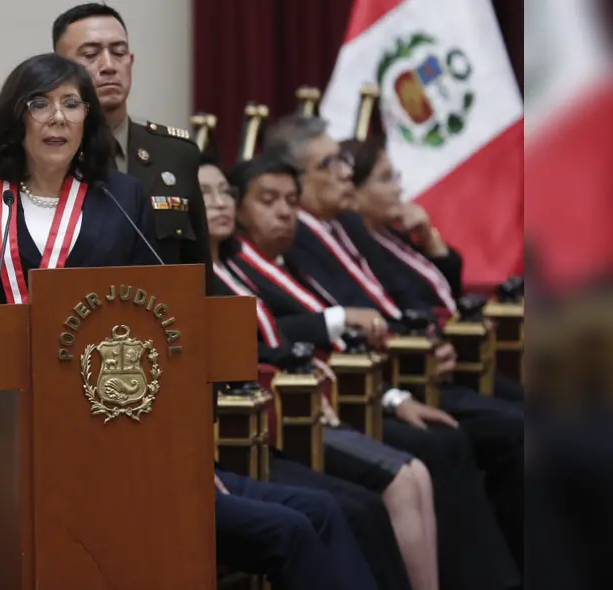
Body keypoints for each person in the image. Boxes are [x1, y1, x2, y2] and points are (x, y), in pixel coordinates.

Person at [0, 53, 373, 590]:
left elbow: (154, 309)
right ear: (16, 117)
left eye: (72, 104)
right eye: (40, 104)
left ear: (89, 118)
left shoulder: (120, 196)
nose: (58, 117)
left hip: (107, 426)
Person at [222, 152, 522, 590]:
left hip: (352, 388)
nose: (285, 211)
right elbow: (279, 344)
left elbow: (386, 306)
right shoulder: (232, 263)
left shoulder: (296, 251)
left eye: (290, 199)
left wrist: (392, 390)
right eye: (269, 200)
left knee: (449, 447)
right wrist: (384, 383)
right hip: (290, 411)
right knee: (396, 479)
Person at [202, 155, 421, 590]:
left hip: (286, 413)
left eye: (223, 191)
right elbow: (251, 353)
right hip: (248, 427)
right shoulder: (189, 274)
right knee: (346, 508)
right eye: (204, 194)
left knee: (374, 492)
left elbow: (275, 341)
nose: (219, 203)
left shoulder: (238, 264)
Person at [338, 136, 524, 404]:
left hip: (454, 355)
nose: (399, 187)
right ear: (354, 192)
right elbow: (409, 304)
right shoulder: (357, 245)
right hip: (419, 368)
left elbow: (448, 290)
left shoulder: (390, 233)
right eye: (386, 179)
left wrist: (429, 238)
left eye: (396, 176)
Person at [52, 3, 213, 290]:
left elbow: (200, 273)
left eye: (119, 52)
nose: (109, 65)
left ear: (131, 61)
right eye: (90, 55)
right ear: (58, 69)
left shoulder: (175, 154)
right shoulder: (45, 156)